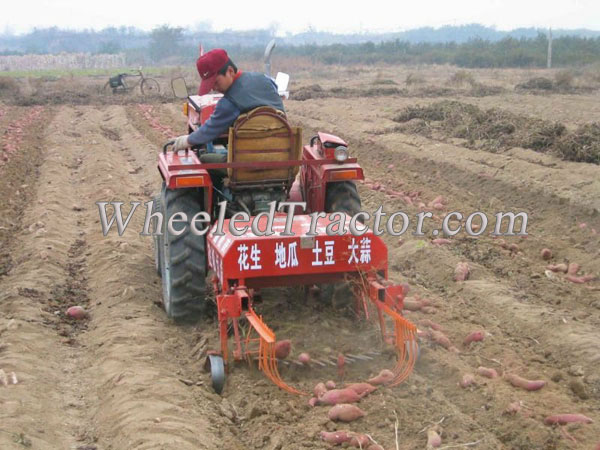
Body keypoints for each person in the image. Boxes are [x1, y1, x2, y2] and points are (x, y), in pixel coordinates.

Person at [172, 48, 285, 151]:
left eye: (215, 82)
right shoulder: (266, 80)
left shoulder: (229, 103)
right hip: (282, 151)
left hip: (247, 162)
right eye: (211, 85)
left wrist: (187, 140)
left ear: (230, 71)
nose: (214, 88)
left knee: (204, 157)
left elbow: (209, 130)